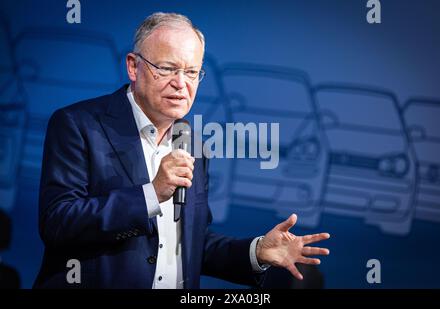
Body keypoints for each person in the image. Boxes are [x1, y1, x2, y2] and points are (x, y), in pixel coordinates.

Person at [33, 12, 330, 289]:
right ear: (133, 66)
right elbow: (59, 223)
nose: (180, 84)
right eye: (167, 68)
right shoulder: (78, 125)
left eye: (191, 72)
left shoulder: (192, 145)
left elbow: (192, 246)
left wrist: (257, 252)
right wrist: (151, 194)